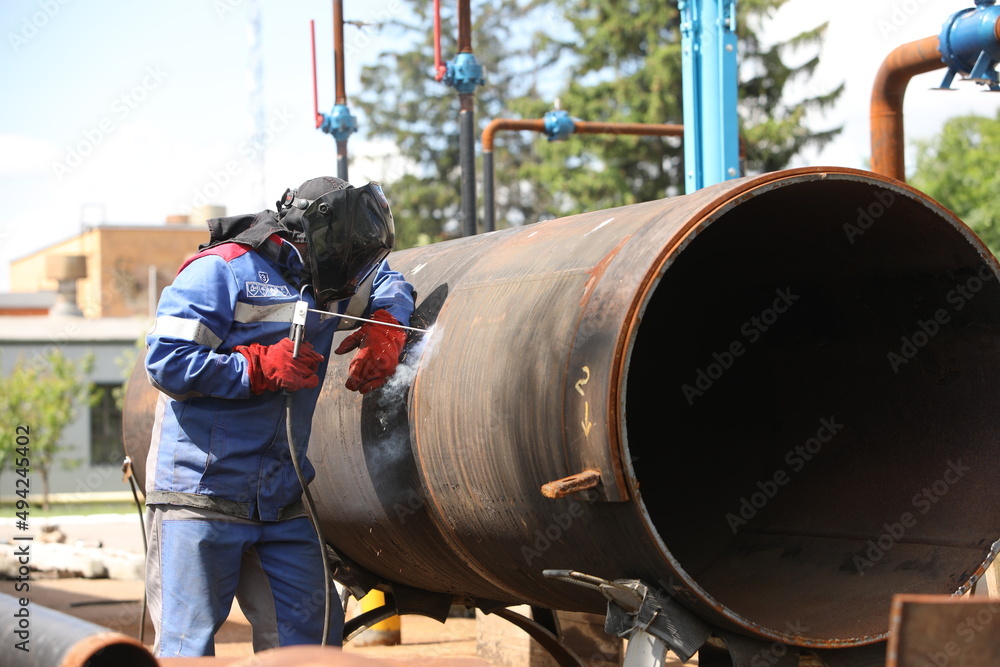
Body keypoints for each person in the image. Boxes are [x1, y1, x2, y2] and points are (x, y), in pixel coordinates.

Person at [142, 176, 415, 657]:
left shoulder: (332, 282)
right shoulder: (222, 271)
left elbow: (388, 280)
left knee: (312, 642)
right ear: (308, 235)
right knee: (188, 646)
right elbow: (166, 363)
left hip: (282, 500)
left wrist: (389, 324)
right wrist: (255, 368)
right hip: (199, 495)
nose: (355, 273)